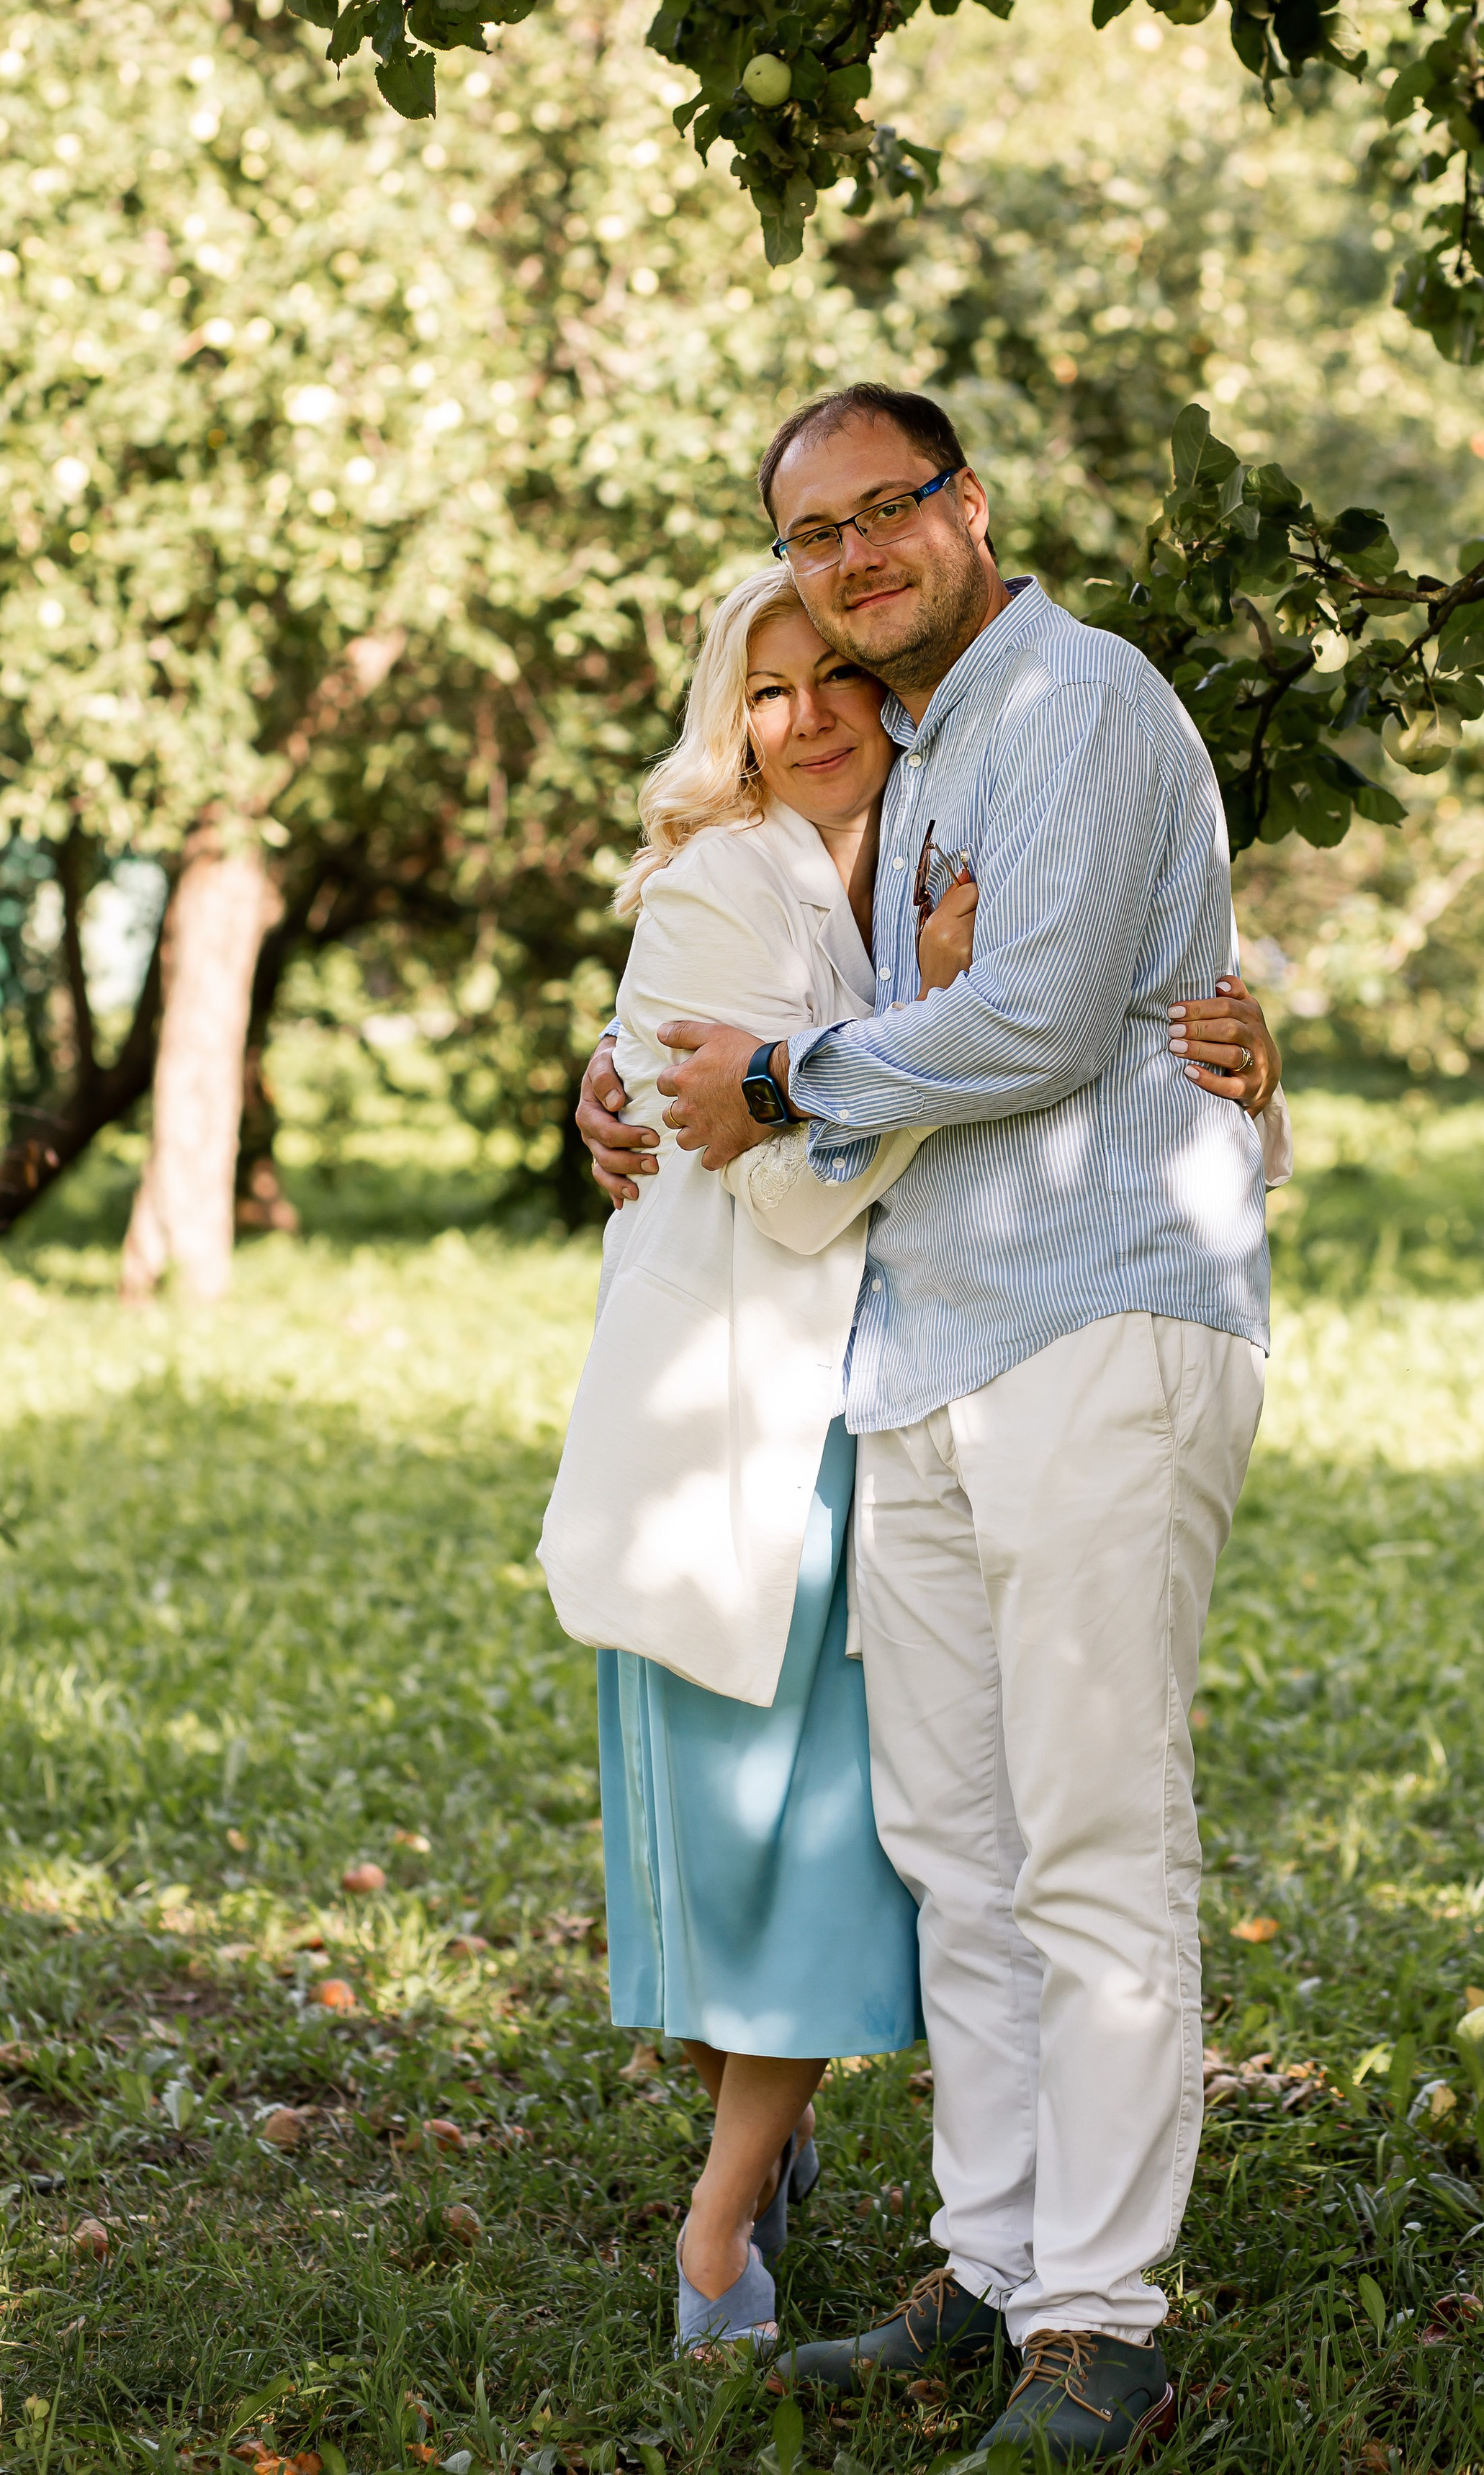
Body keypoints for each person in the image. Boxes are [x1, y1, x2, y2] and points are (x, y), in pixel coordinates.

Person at [575, 384, 1290, 2461]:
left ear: (970, 508)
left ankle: (1106, 2322)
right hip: (926, 1353)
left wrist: (790, 1076)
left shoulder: (1076, 699)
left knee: (1088, 1833)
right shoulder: (918, 750)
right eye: (814, 536)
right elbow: (748, 969)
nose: (856, 557)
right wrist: (619, 1080)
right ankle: (988, 2267)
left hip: (1095, 1330)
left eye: (889, 512)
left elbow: (1050, 1023)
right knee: (954, 1851)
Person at [538, 562, 980, 2354]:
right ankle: (720, 2231)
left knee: (815, 1828)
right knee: (759, 1834)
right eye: (763, 694)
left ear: (892, 687)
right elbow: (790, 1176)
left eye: (834, 681)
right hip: (731, 1408)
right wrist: (931, 1032)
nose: (803, 723)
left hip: (877, 1407)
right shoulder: (716, 884)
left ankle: (744, 2171)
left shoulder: (942, 851)